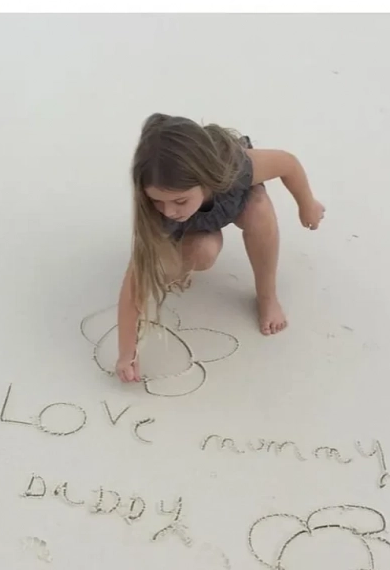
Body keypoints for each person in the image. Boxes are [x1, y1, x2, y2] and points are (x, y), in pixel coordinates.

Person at [116, 113, 325, 384]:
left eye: (179, 201)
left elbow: (288, 163)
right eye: (157, 201)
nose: (168, 211)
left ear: (205, 180)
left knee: (259, 209)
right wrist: (127, 352)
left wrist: (307, 204)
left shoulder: (234, 167)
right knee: (203, 252)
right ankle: (183, 257)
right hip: (197, 227)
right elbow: (135, 281)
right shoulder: (158, 213)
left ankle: (267, 296)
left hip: (235, 202)